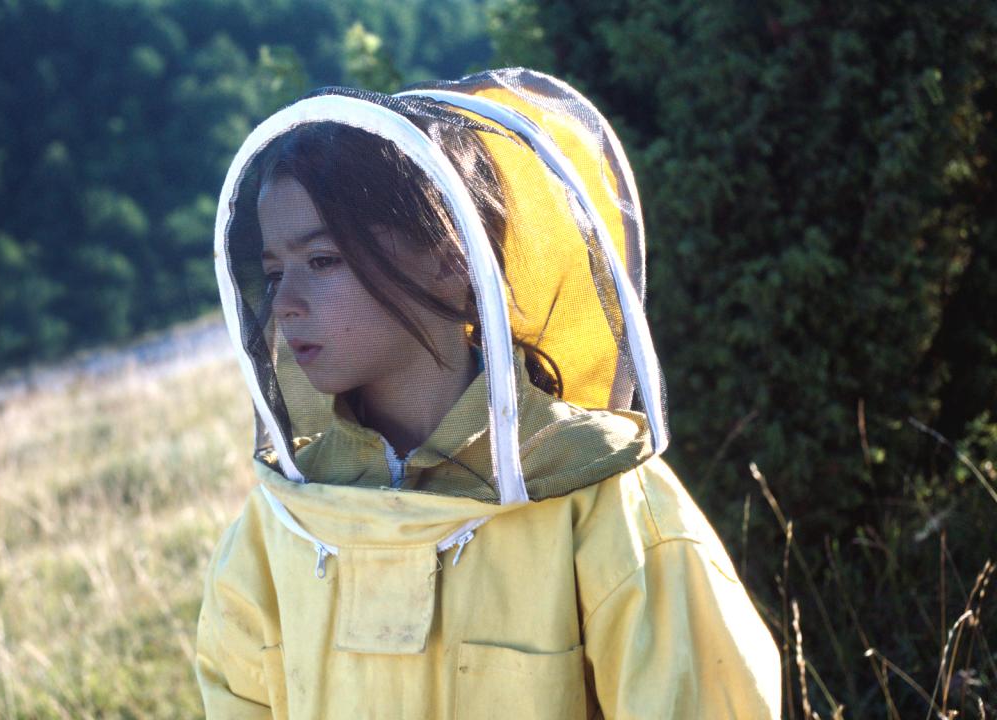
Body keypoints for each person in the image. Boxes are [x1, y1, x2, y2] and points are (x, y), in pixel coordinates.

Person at [197, 68, 781, 719]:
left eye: (323, 261)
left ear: (452, 258)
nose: (286, 303)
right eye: (274, 272)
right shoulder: (280, 522)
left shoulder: (600, 499)